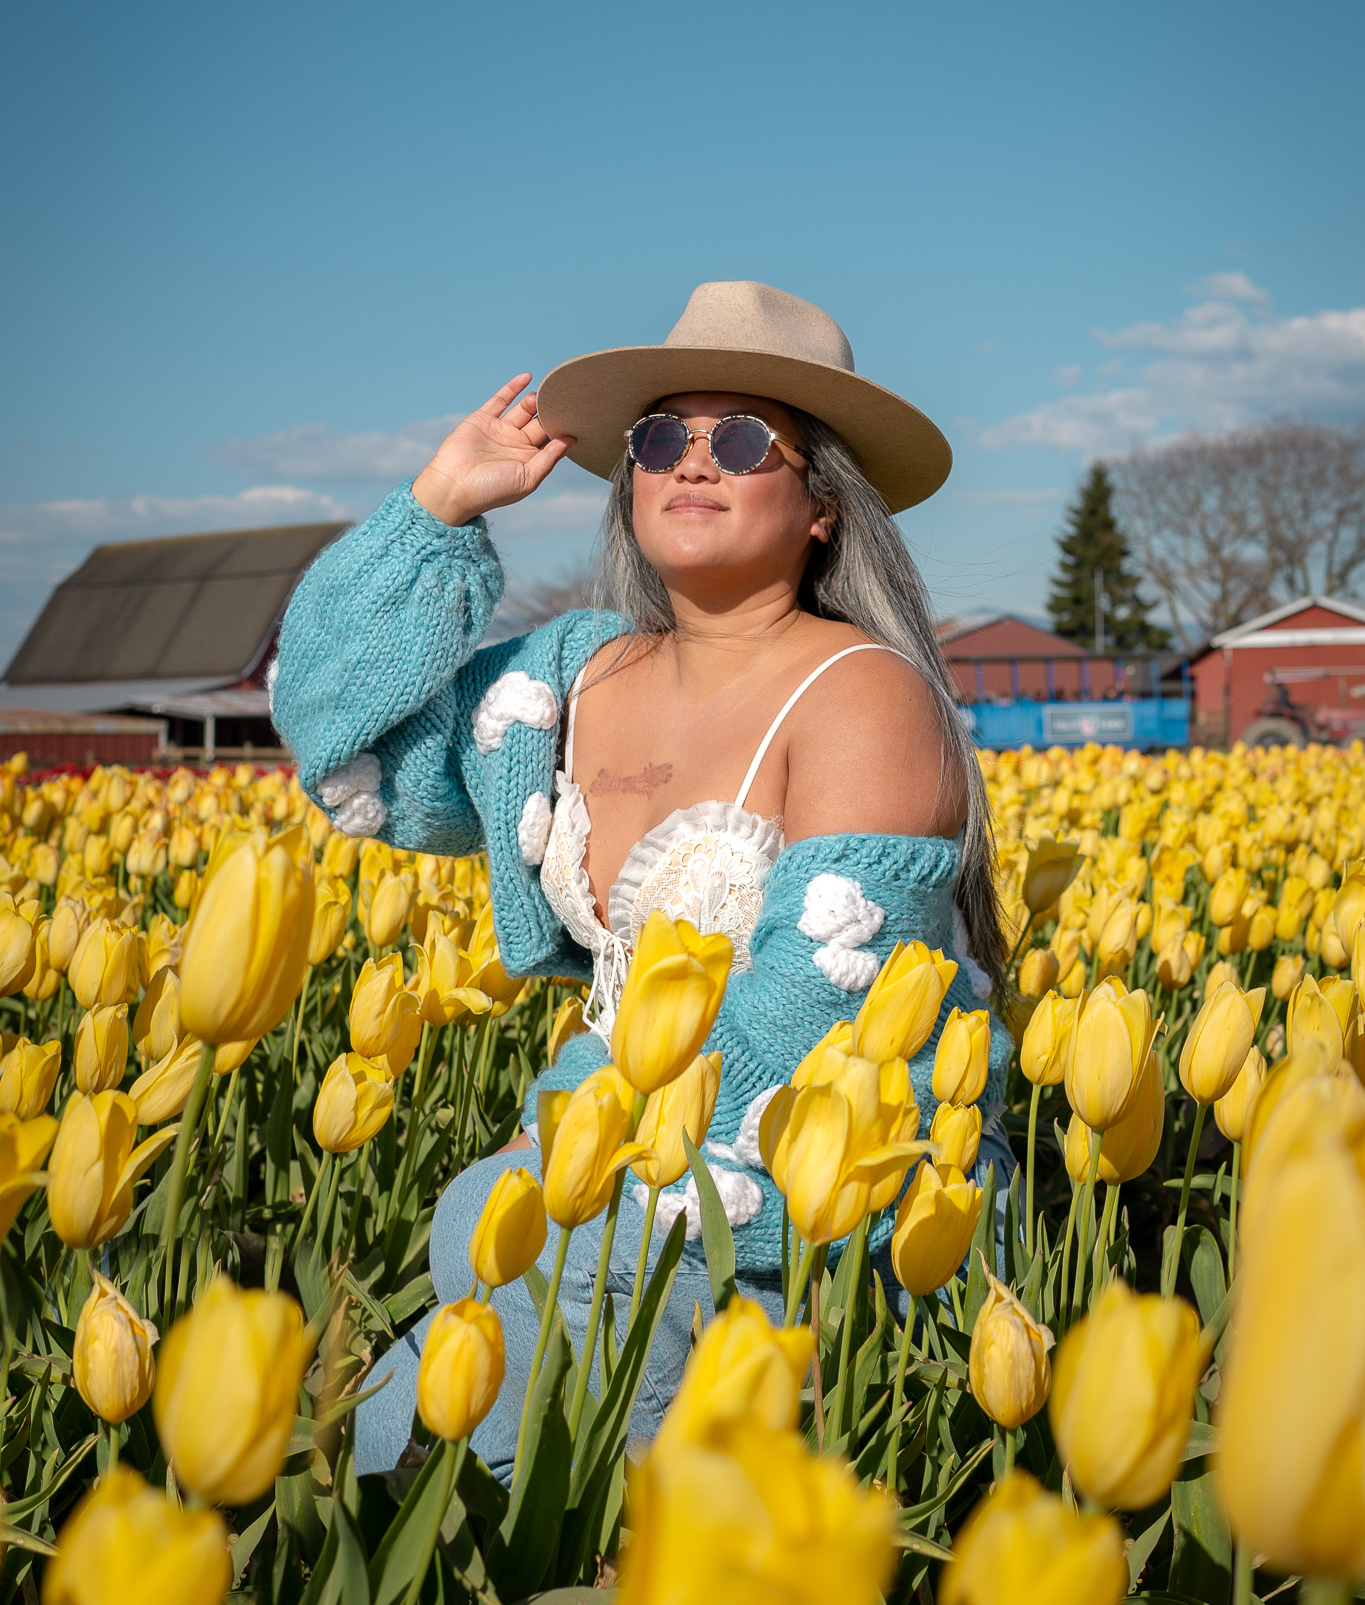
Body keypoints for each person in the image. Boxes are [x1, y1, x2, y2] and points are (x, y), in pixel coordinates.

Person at [271, 279, 1013, 1479]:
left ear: (822, 503)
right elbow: (336, 740)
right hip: (598, 1176)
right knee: (337, 1463)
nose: (693, 463)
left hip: (797, 1210)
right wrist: (436, 512)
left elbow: (807, 1037)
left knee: (463, 1325)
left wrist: (565, 1156)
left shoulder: (866, 693)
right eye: (662, 437)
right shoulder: (567, 676)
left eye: (741, 440)